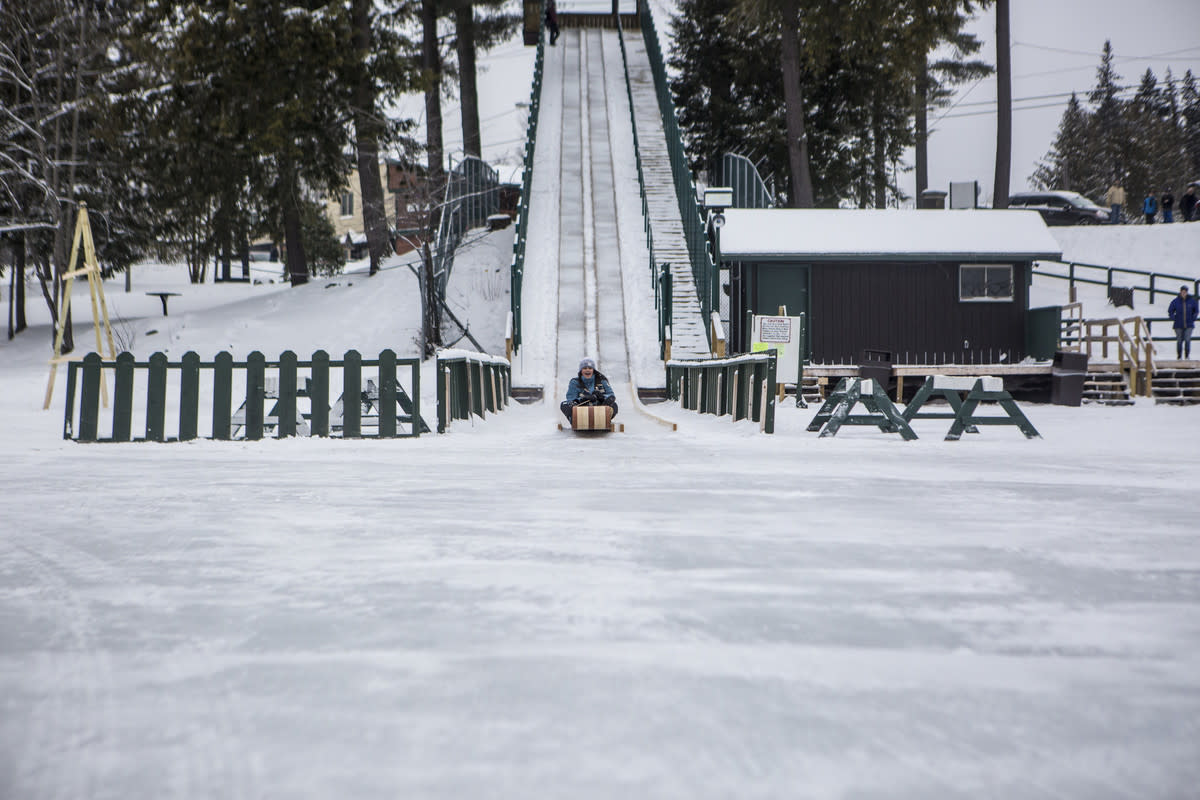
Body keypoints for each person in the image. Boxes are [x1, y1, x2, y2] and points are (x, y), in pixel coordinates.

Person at [1168, 285, 1198, 360]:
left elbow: (1196, 310)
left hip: (1189, 324)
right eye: (1182, 291)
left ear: (1187, 292)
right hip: (1178, 324)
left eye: (1185, 292)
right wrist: (1174, 318)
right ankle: (1179, 356)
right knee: (1179, 340)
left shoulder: (1192, 301)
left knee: (1187, 339)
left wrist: (1193, 318)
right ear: (1180, 292)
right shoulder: (1175, 301)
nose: (1184, 293)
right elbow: (1170, 310)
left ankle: (1187, 356)